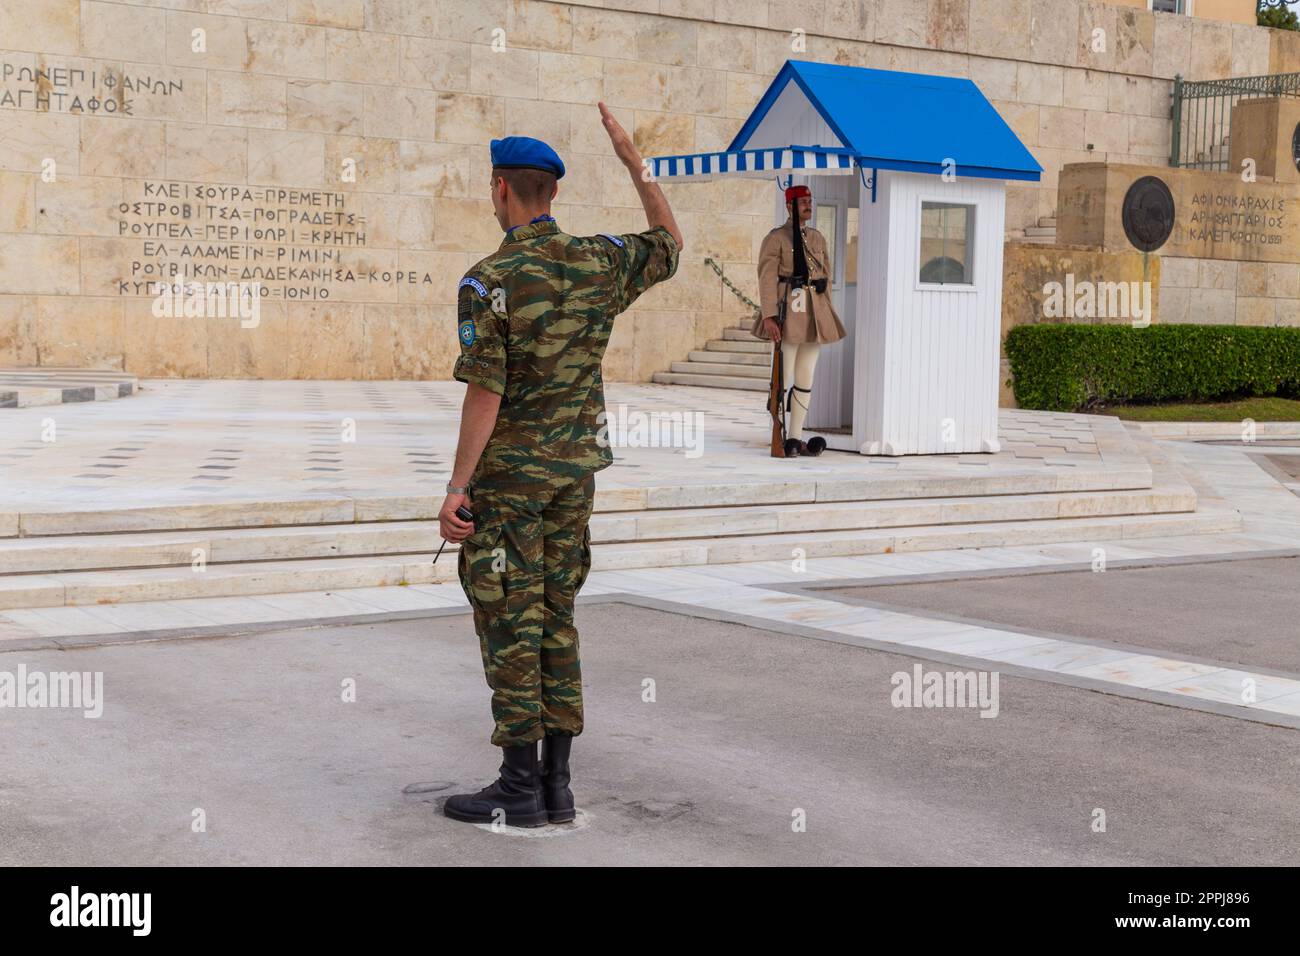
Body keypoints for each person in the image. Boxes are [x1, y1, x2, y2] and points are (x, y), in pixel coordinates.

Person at [438, 107, 683, 827]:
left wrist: (457, 487)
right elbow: (669, 242)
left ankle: (518, 788)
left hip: (510, 485)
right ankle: (558, 786)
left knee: (513, 622)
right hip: (573, 478)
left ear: (501, 189)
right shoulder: (598, 260)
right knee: (556, 619)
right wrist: (635, 159)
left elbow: (488, 388)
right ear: (552, 192)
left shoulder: (490, 279)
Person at [754, 184, 847, 456]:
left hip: (813, 314)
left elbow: (826, 275)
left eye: (810, 201)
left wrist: (824, 302)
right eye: (803, 202)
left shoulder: (817, 238)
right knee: (782, 379)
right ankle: (778, 435)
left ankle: (795, 438)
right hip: (788, 312)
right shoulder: (776, 238)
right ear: (789, 206)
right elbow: (766, 278)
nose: (809, 205)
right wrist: (770, 316)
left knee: (805, 376)